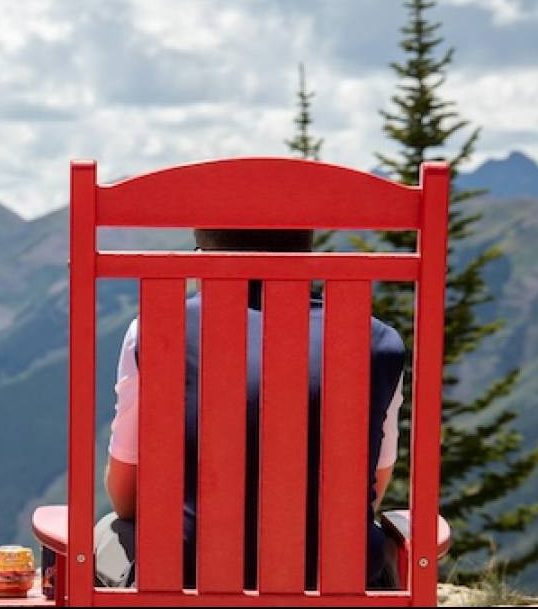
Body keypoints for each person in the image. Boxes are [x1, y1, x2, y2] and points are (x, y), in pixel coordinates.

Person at [94, 228, 408, 590]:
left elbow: (126, 495)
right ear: (308, 256)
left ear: (202, 257)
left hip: (186, 586)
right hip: (338, 588)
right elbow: (372, 488)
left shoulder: (155, 330)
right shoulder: (380, 344)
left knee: (109, 531)